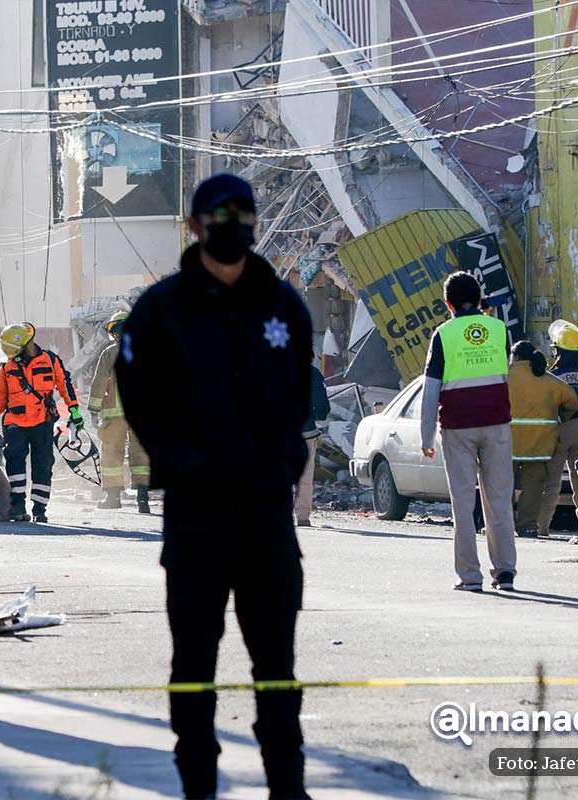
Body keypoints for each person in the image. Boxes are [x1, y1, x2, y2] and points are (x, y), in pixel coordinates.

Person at [115, 173, 314, 800]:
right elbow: (135, 395)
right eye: (219, 214)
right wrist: (176, 459)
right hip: (196, 515)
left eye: (243, 214)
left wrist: (287, 460)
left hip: (265, 516)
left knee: (276, 666)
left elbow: (299, 394)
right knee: (194, 664)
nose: (233, 224)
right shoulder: (161, 309)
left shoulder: (283, 306)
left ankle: (288, 786)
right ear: (195, 225)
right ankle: (198, 785)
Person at [420, 272, 517, 592]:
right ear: (480, 299)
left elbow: (431, 389)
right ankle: (504, 573)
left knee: (463, 503)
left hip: (458, 429)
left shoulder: (443, 334)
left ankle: (470, 577)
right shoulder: (500, 330)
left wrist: (425, 437)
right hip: (497, 424)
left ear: (447, 304)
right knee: (499, 500)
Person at [0, 322, 83, 523]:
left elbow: (65, 385)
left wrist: (74, 410)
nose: (8, 354)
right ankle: (17, 506)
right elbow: (0, 396)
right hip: (15, 423)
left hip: (42, 422)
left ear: (23, 346)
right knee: (14, 462)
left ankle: (40, 508)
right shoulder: (7, 367)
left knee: (43, 464)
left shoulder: (49, 360)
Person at [508, 340, 578, 537]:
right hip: (540, 444)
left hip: (507, 443)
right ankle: (528, 526)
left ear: (515, 357)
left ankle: (502, 526)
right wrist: (561, 417)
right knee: (533, 488)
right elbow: (571, 402)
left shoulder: (503, 377)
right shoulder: (550, 381)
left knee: (503, 485)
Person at [536, 321, 578, 537]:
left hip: (559, 431)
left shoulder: (553, 376)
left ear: (558, 351)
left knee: (551, 482)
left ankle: (541, 526)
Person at [88, 310, 151, 513]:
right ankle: (143, 500)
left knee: (112, 455)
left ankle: (113, 498)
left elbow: (99, 383)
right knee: (141, 455)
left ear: (114, 333)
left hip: (115, 416)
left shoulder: (109, 353)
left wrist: (93, 410)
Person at [294, 365, 330, 527]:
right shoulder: (312, 373)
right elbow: (321, 402)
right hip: (306, 432)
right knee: (305, 476)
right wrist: (319, 415)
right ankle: (302, 516)